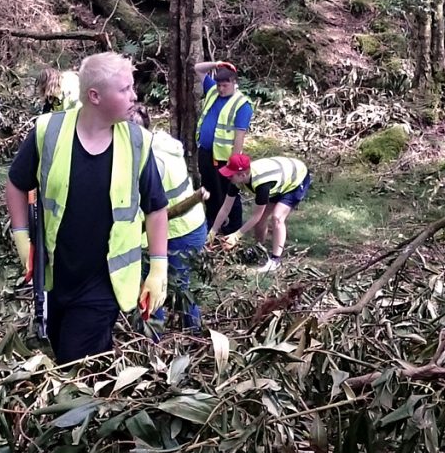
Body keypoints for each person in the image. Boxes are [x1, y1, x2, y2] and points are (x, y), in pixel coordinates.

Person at [6, 53, 169, 364]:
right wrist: (21, 238)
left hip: (105, 282)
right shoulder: (48, 132)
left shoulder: (138, 143)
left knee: (75, 359)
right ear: (95, 96)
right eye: (124, 89)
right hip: (56, 275)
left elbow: (156, 208)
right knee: (65, 347)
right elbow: (15, 184)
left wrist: (158, 268)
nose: (134, 96)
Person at [129, 104, 206, 331]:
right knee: (176, 287)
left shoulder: (152, 162)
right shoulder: (161, 145)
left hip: (181, 232)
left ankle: (158, 341)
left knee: (163, 287)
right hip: (187, 227)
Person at [210, 153, 311, 273]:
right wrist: (213, 231)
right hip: (278, 180)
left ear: (242, 175)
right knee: (260, 221)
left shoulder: (262, 185)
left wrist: (236, 236)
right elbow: (225, 208)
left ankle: (275, 260)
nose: (227, 177)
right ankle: (259, 249)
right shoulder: (237, 181)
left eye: (230, 175)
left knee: (277, 217)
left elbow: (255, 216)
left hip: (296, 178)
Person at [192, 61, 253, 235]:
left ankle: (233, 227)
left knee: (229, 192)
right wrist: (217, 64)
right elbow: (198, 68)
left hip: (224, 158)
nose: (220, 89)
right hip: (205, 152)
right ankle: (212, 224)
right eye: (218, 85)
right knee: (209, 188)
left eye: (224, 85)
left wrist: (234, 164)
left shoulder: (242, 105)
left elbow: (239, 137)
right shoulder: (212, 91)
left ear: (234, 83)